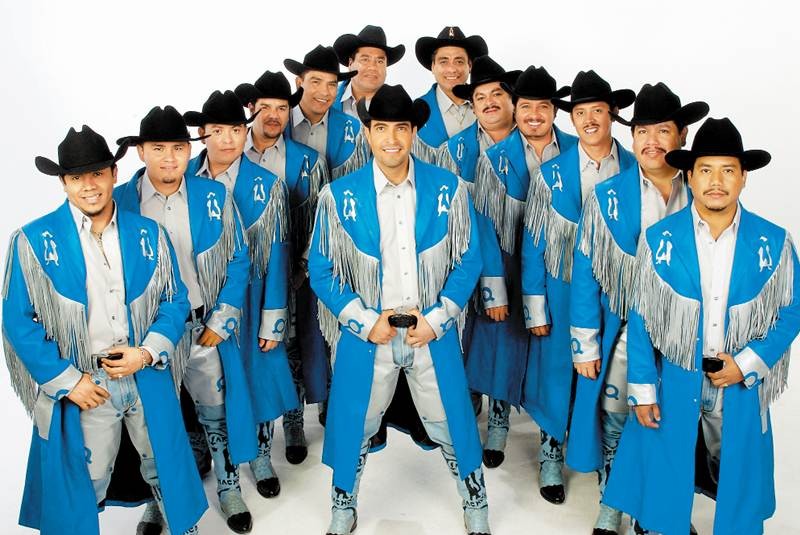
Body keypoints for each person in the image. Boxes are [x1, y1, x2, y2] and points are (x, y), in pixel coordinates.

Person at [2, 125, 205, 535]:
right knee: (85, 481)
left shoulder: (148, 233)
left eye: (97, 173)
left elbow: (175, 300)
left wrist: (146, 352)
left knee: (165, 466)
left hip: (144, 373)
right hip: (87, 384)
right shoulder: (33, 240)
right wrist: (67, 381)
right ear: (63, 183)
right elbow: (17, 321)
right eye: (76, 177)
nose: (89, 186)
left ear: (114, 174)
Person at [308, 84, 491, 535]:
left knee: (451, 420)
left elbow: (469, 259)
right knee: (356, 422)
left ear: (413, 132)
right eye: (381, 128)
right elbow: (321, 270)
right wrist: (364, 321)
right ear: (368, 132)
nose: (392, 138)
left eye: (401, 128)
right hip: (371, 332)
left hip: (429, 330)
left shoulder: (448, 188)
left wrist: (439, 318)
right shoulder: (338, 195)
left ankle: (475, 497)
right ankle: (343, 503)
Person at [604, 117, 799, 535]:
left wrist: (747, 363)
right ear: (689, 176)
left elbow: (791, 311)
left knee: (739, 480)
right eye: (706, 170)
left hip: (739, 387)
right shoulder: (659, 239)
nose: (716, 181)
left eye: (728, 170)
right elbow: (642, 317)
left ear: (744, 177)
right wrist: (642, 388)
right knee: (666, 474)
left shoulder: (774, 242)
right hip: (676, 380)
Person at [566, 82, 708, 535]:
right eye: (642, 131)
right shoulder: (606, 195)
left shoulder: (703, 192)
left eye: (662, 131)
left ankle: (663, 510)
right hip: (624, 327)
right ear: (631, 138)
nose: (651, 141)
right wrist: (585, 344)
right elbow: (586, 271)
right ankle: (613, 500)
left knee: (674, 422)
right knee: (616, 413)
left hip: (686, 334)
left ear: (682, 135)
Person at [114, 106, 256, 533]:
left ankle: (228, 485)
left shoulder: (213, 195)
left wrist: (222, 319)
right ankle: (159, 501)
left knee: (216, 412)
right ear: (141, 152)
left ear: (189, 150)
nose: (169, 158)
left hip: (201, 325)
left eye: (178, 148)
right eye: (158, 148)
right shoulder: (120, 201)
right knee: (155, 423)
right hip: (148, 336)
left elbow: (238, 257)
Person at [520, 69, 635, 505]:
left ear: (613, 114)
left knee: (608, 377)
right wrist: (535, 305)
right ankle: (551, 452)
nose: (589, 120)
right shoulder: (551, 174)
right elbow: (533, 241)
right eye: (581, 112)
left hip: (618, 296)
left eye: (597, 111)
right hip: (563, 288)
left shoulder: (634, 167)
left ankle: (607, 460)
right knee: (556, 373)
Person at [183, 89, 298, 523]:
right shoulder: (183, 179)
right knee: (203, 387)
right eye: (218, 131)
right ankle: (204, 450)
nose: (229, 140)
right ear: (202, 134)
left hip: (250, 298)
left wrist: (273, 320)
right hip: (197, 303)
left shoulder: (267, 185)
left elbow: (279, 254)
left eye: (236, 130)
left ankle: (261, 455)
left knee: (258, 379)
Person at [466, 65, 577, 468]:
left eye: (543, 107)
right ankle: (498, 422)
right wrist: (493, 287)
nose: (534, 115)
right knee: (504, 347)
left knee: (554, 358)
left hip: (559, 270)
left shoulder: (575, 152)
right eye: (526, 106)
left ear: (554, 111)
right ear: (515, 108)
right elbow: (483, 224)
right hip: (508, 263)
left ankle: (551, 442)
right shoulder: (494, 159)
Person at [236, 70, 329, 464]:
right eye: (265, 108)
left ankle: (293, 420)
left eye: (281, 108)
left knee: (292, 345)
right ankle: (254, 433)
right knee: (251, 351)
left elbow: (322, 221)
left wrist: (302, 268)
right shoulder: (233, 155)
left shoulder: (308, 161)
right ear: (250, 109)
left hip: (294, 272)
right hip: (243, 277)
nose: (274, 115)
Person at [284, 45, 371, 180]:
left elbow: (358, 181)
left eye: (332, 84)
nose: (324, 92)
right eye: (316, 82)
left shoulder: (353, 130)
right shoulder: (278, 123)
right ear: (299, 83)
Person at [413, 26, 488, 160]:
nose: (452, 69)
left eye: (459, 61)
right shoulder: (414, 111)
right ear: (433, 66)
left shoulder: (490, 105)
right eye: (444, 61)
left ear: (470, 66)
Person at [332, 24, 405, 118]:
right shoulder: (326, 100)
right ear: (350, 63)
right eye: (365, 60)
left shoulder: (403, 108)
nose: (372, 67)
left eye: (380, 61)